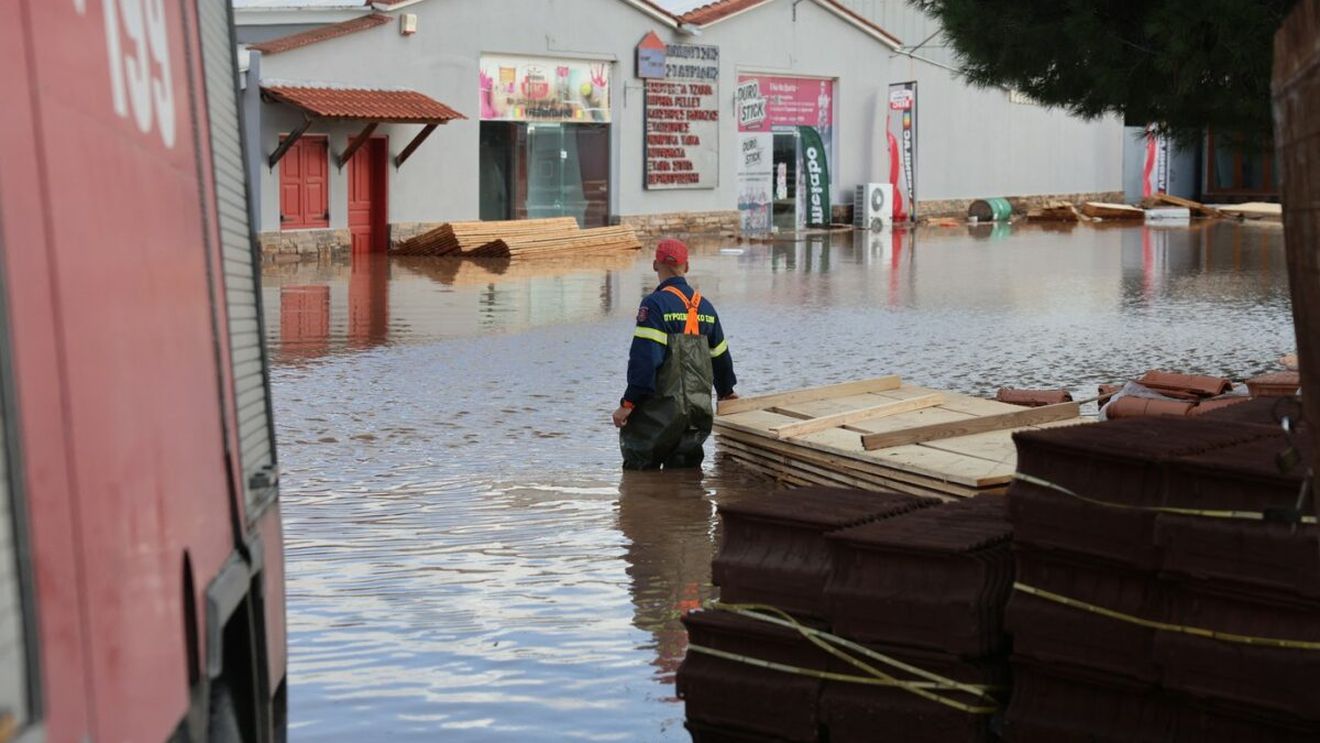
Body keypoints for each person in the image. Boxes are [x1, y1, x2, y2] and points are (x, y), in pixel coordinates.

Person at [612, 239, 737, 469]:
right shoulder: (706, 308)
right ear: (686, 267)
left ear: (654, 265)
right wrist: (727, 392)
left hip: (659, 414)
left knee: (640, 480)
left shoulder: (654, 305)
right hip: (697, 413)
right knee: (687, 478)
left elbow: (645, 360)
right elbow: (720, 356)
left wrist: (627, 404)